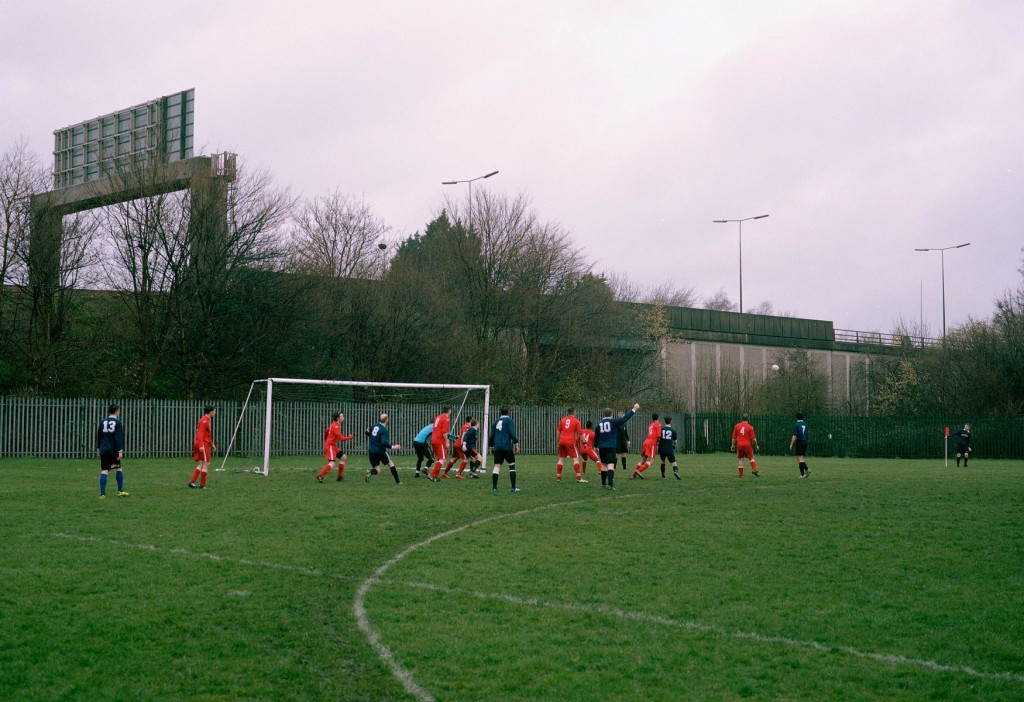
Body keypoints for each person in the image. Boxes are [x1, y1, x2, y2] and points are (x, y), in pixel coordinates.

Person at [596, 403, 640, 490]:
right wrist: (634, 409)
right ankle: (610, 485)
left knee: (604, 465)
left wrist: (595, 446)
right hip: (611, 446)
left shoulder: (599, 424)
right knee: (611, 465)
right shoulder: (613, 422)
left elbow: (597, 436)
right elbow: (625, 418)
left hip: (602, 447)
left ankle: (603, 484)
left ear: (604, 414)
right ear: (611, 414)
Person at [96, 404, 127, 498]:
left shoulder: (102, 422)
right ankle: (120, 491)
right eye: (119, 410)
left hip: (104, 450)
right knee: (119, 468)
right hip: (113, 450)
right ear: (116, 411)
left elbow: (99, 436)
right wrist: (120, 451)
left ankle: (102, 494)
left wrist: (99, 448)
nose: (119, 412)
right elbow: (118, 438)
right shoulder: (117, 422)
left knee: (104, 471)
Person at [365, 413, 403, 484]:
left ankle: (370, 472)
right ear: (386, 420)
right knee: (391, 464)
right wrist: (393, 447)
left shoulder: (374, 425)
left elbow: (367, 432)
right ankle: (398, 481)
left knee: (377, 470)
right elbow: (383, 442)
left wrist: (368, 433)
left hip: (371, 451)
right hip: (380, 451)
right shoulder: (384, 430)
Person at [490, 407, 521, 493]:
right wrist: (516, 443)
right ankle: (513, 488)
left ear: (500, 412)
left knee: (496, 466)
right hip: (506, 446)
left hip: (497, 446)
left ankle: (494, 488)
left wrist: (491, 446)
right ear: (508, 412)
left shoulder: (496, 421)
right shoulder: (509, 421)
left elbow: (492, 435)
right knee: (511, 465)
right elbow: (512, 433)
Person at [317, 412, 354, 483]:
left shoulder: (334, 424)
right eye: (342, 416)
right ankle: (320, 476)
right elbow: (341, 438)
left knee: (343, 457)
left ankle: (339, 477)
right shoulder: (335, 426)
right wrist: (350, 437)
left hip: (332, 446)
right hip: (330, 446)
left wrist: (326, 441)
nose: (343, 417)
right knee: (332, 463)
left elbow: (327, 431)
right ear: (338, 418)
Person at [189, 406, 217, 489]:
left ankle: (192, 482)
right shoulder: (205, 421)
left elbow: (207, 435)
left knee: (201, 464)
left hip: (202, 443)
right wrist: (201, 445)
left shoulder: (206, 420)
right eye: (214, 411)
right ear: (210, 412)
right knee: (206, 463)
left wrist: (212, 445)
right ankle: (202, 485)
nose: (215, 413)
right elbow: (200, 434)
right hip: (202, 444)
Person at [555, 408, 585, 482]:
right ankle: (579, 478)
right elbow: (581, 433)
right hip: (570, 441)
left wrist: (558, 441)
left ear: (568, 413)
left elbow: (558, 431)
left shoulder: (562, 420)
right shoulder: (576, 421)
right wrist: (584, 443)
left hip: (562, 441)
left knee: (561, 458)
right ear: (574, 412)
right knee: (575, 459)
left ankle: (558, 477)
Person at [632, 413, 661, 479]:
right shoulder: (658, 424)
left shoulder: (651, 425)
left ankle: (633, 475)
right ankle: (638, 471)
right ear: (658, 418)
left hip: (646, 441)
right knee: (651, 461)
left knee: (643, 460)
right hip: (652, 443)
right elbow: (659, 435)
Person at [731, 413, 760, 477]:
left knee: (740, 459)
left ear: (742, 418)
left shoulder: (737, 426)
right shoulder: (750, 427)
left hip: (740, 444)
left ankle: (741, 475)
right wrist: (756, 445)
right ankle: (754, 469)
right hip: (747, 444)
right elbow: (754, 439)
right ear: (748, 419)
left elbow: (734, 437)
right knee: (751, 458)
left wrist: (733, 445)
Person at [428, 407, 452, 482]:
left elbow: (434, 428)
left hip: (434, 439)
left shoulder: (438, 417)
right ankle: (431, 475)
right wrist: (447, 442)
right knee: (442, 459)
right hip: (439, 440)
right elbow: (444, 432)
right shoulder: (446, 418)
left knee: (439, 458)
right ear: (449, 411)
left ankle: (435, 476)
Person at [789, 412, 810, 478]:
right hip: (805, 442)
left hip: (800, 441)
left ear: (796, 417)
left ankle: (806, 470)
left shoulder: (797, 425)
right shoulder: (805, 424)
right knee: (800, 457)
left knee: (799, 458)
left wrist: (791, 444)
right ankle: (802, 474)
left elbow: (794, 435)